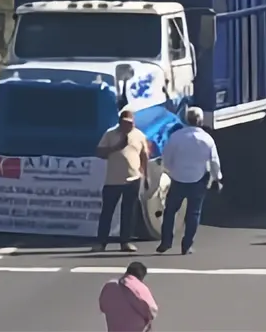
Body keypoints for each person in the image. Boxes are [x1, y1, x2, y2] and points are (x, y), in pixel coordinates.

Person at [157, 107, 222, 255]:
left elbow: (166, 158)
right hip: (198, 180)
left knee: (170, 211)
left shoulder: (176, 137)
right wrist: (218, 178)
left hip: (178, 179)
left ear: (186, 119)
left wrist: (171, 170)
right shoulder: (207, 139)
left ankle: (166, 241)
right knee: (193, 213)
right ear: (200, 120)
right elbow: (214, 161)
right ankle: (186, 245)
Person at [94, 108, 150, 253]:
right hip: (113, 180)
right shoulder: (110, 134)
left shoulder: (139, 135)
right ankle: (101, 242)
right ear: (120, 122)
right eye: (125, 123)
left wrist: (146, 176)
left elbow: (144, 156)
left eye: (131, 123)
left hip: (133, 179)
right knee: (107, 211)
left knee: (129, 212)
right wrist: (117, 147)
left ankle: (125, 242)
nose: (128, 126)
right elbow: (100, 152)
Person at [98, 261, 158, 332]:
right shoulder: (141, 288)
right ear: (142, 276)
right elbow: (152, 311)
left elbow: (102, 307)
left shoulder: (109, 286)